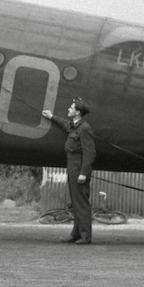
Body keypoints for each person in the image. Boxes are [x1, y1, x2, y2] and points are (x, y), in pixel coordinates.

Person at [42, 99, 96, 244]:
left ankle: (85, 236)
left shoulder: (84, 128)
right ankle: (76, 233)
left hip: (78, 170)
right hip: (73, 169)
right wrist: (52, 116)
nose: (69, 108)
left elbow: (90, 153)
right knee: (75, 202)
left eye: (71, 107)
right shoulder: (75, 126)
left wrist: (84, 173)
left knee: (81, 203)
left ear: (78, 112)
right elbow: (66, 124)